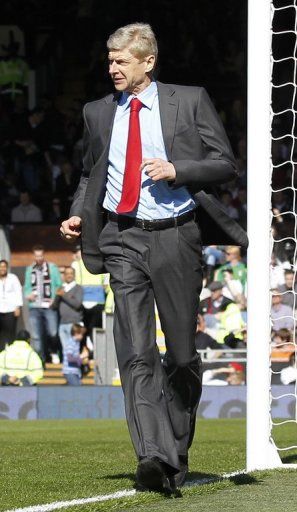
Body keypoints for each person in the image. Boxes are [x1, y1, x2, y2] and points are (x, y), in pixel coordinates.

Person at [60, 23, 247, 492]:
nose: (113, 68)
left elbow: (226, 162)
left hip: (177, 237)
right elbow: (90, 173)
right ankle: (153, 457)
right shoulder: (98, 112)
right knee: (137, 352)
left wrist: (177, 169)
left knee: (181, 357)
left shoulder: (189, 99)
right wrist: (79, 214)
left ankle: (176, 449)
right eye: (110, 60)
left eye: (121, 60)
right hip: (122, 238)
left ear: (148, 61)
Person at [23, 244, 62, 362]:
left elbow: (58, 285)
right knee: (36, 336)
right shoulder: (30, 269)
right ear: (34, 256)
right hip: (34, 306)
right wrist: (28, 294)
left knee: (53, 332)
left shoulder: (52, 268)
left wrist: (53, 298)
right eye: (36, 256)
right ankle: (40, 359)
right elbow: (27, 287)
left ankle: (53, 351)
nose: (38, 258)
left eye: (40, 256)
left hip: (49, 306)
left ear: (43, 255)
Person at [52, 266, 83, 353]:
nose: (69, 276)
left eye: (71, 273)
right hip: (62, 323)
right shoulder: (61, 288)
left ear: (74, 275)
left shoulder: (78, 288)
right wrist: (58, 296)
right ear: (64, 276)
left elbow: (77, 304)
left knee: (73, 350)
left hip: (74, 323)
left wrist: (64, 295)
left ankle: (75, 366)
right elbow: (54, 306)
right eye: (67, 274)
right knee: (65, 351)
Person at [0, 259, 23, 349]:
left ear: (7, 268)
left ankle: (11, 351)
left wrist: (18, 307)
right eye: (0, 267)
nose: (2, 269)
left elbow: (18, 291)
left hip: (10, 309)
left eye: (4, 267)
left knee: (10, 332)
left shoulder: (13, 278)